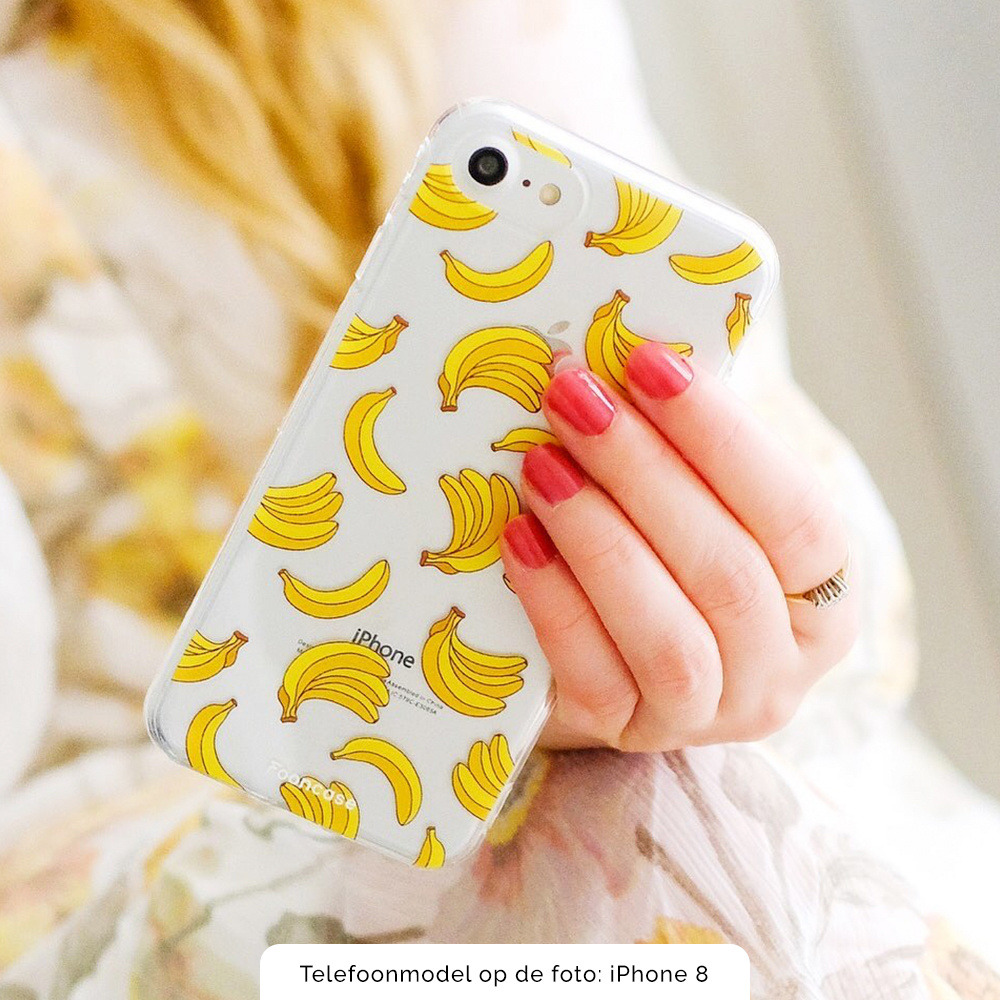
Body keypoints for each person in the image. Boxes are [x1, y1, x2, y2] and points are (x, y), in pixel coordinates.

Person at [1, 1, 998, 996]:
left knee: (656, 821)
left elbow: (836, 588)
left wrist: (770, 612)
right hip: (100, 843)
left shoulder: (412, 37)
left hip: (598, 763)